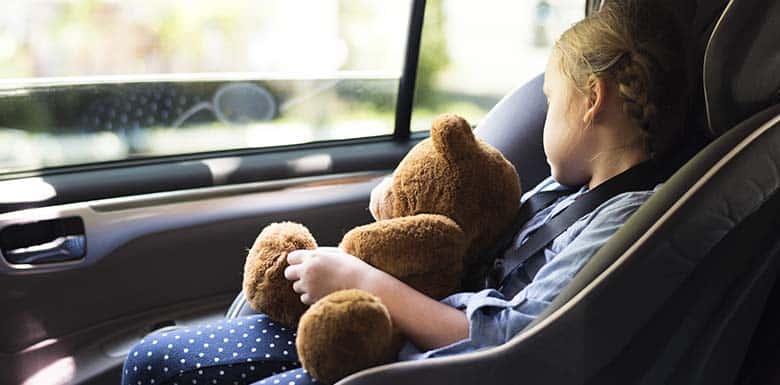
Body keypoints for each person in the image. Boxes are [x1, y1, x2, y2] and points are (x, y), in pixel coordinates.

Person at [121, 1, 687, 384]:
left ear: (592, 98)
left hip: (426, 361)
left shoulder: (629, 218)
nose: (542, 124)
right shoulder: (565, 192)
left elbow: (517, 336)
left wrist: (363, 280)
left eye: (550, 97)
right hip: (395, 329)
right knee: (150, 359)